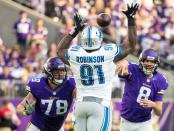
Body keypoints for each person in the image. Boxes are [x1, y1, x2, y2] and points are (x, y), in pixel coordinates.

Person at [57, 3, 139, 131]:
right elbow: (131, 45)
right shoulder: (108, 52)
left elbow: (60, 50)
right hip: (100, 104)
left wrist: (74, 31)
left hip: (80, 104)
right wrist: (131, 19)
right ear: (99, 39)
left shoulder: (75, 53)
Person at [16, 56, 76, 131]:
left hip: (57, 128)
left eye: (62, 71)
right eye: (56, 72)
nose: (60, 75)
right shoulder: (38, 85)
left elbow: (80, 97)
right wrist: (25, 112)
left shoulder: (70, 84)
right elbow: (20, 108)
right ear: (48, 73)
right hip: (37, 127)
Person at [116, 48, 169, 131]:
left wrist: (153, 104)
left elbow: (159, 112)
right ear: (141, 61)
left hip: (145, 123)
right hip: (126, 121)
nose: (149, 64)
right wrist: (123, 62)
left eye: (152, 62)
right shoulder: (134, 69)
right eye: (146, 61)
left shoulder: (160, 80)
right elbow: (122, 65)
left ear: (156, 63)